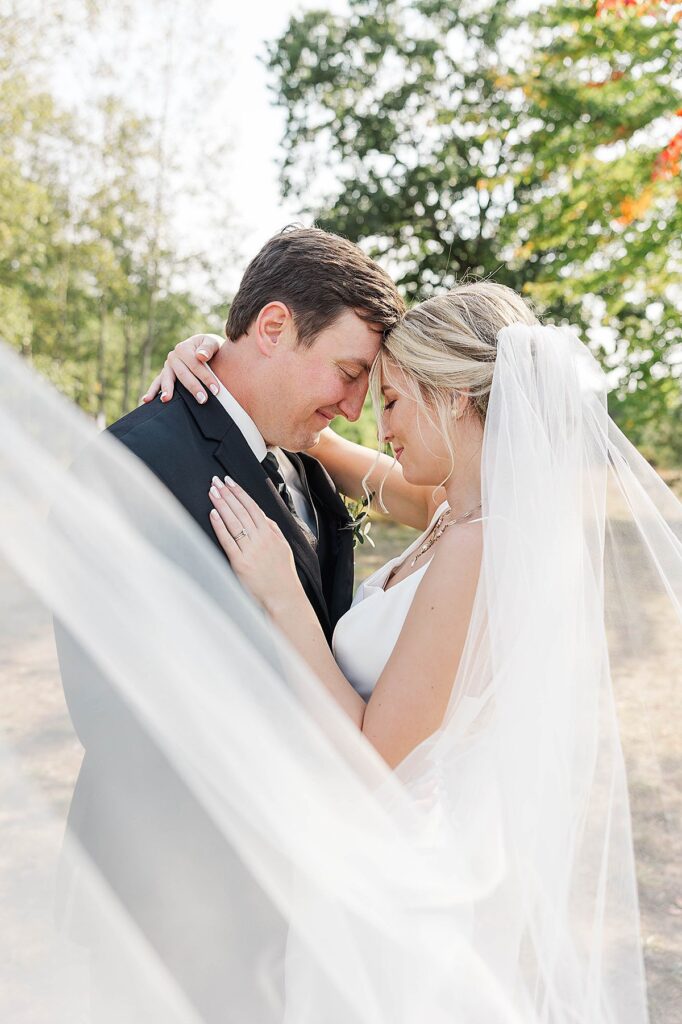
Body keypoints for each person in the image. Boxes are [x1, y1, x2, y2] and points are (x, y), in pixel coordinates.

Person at [144, 280, 682, 1021]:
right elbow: (329, 447)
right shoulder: (452, 510)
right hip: (371, 864)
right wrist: (220, 363)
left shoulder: (480, 548)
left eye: (392, 401)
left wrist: (282, 596)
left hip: (392, 890)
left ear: (456, 397)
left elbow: (374, 759)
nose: (380, 426)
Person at [54, 225, 405, 1022]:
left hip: (281, 905)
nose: (353, 407)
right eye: (349, 374)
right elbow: (110, 708)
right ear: (275, 326)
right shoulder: (137, 460)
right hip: (169, 902)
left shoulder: (307, 464)